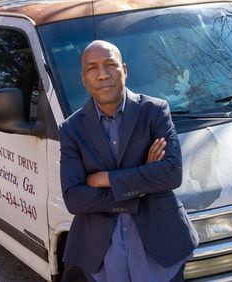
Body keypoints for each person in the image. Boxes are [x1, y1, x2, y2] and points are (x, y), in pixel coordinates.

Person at [59, 40, 198, 282]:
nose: (102, 75)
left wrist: (105, 179)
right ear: (83, 78)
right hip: (102, 255)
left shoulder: (155, 111)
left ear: (124, 69)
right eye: (92, 68)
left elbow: (171, 173)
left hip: (160, 247)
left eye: (109, 65)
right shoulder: (72, 128)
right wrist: (142, 181)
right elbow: (74, 198)